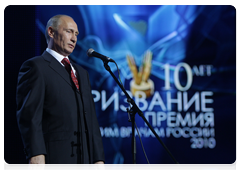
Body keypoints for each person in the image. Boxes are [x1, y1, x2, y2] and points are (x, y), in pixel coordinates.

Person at [16, 14, 105, 170]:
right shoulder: (36, 67)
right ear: (51, 32)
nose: (74, 39)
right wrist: (36, 152)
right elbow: (29, 114)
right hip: (54, 158)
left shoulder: (82, 73)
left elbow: (90, 118)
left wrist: (97, 157)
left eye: (76, 34)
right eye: (69, 32)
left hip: (84, 159)